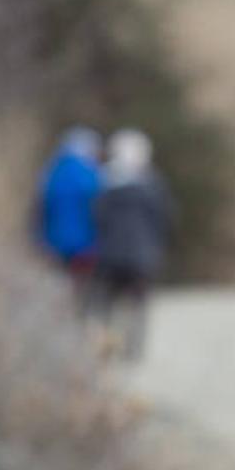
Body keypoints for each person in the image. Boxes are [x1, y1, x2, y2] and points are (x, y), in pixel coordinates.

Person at [92, 128, 173, 359]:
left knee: (107, 306)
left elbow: (98, 217)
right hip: (141, 257)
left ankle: (104, 346)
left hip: (110, 257)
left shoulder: (105, 183)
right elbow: (165, 218)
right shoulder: (153, 184)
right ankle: (132, 350)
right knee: (138, 306)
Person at [35, 126, 103, 288]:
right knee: (82, 282)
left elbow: (42, 208)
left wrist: (41, 238)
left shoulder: (52, 173)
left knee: (62, 283)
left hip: (55, 241)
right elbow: (99, 209)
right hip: (86, 242)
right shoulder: (92, 174)